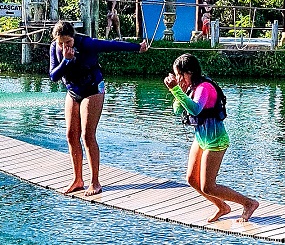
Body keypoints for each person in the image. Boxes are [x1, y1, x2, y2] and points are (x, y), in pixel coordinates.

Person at [49, 19, 147, 196]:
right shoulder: (55, 48)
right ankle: (78, 180)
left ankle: (95, 182)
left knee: (87, 135)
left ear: (74, 37)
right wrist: (66, 61)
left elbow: (111, 45)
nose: (64, 46)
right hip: (73, 91)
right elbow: (54, 76)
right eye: (61, 43)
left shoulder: (86, 43)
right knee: (71, 136)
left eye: (68, 42)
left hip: (93, 88)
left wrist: (137, 47)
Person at [164, 52, 259, 222]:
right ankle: (223, 207)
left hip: (216, 140)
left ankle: (248, 203)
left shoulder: (204, 88)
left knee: (208, 186)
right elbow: (177, 110)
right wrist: (179, 91)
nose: (177, 78)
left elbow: (195, 110)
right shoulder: (190, 88)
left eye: (179, 74)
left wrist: (176, 89)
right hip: (201, 139)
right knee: (192, 179)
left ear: (189, 72)